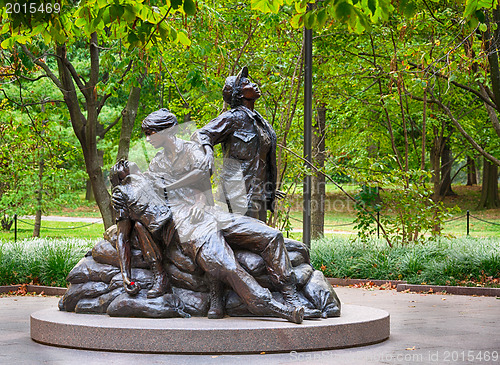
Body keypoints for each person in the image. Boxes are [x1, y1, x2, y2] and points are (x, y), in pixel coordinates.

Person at [142, 108, 307, 324]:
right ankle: (273, 307)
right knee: (225, 264)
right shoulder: (157, 163)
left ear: (166, 131)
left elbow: (203, 176)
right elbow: (159, 198)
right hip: (188, 223)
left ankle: (289, 294)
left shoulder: (191, 150)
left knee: (271, 235)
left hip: (212, 213)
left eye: (151, 133)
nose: (147, 139)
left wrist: (198, 200)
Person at [193, 67, 278, 222]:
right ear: (239, 94)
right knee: (252, 240)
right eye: (247, 83)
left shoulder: (262, 123)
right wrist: (209, 153)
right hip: (239, 195)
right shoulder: (233, 118)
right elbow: (201, 134)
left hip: (260, 194)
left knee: (262, 242)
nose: (254, 85)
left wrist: (271, 188)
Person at [110, 160, 174, 299]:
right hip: (160, 232)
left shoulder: (153, 176)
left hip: (182, 220)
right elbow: (123, 237)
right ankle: (160, 275)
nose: (122, 161)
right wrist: (126, 277)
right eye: (118, 166)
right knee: (139, 226)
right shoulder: (122, 194)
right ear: (119, 180)